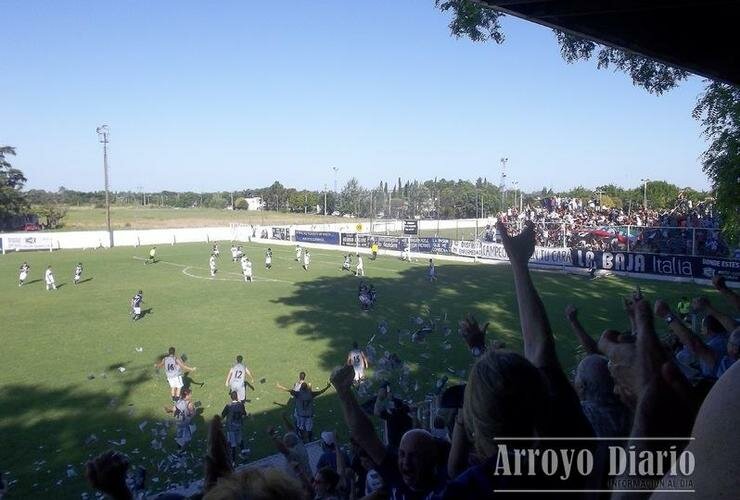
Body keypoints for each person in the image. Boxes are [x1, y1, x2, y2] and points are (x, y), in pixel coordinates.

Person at [221, 391, 247, 463]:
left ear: (231, 397)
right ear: (237, 397)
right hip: (239, 426)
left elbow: (222, 415)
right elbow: (244, 414)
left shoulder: (228, 406)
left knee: (233, 444)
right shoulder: (241, 405)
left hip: (231, 428)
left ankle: (233, 461)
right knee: (240, 441)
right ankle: (244, 455)